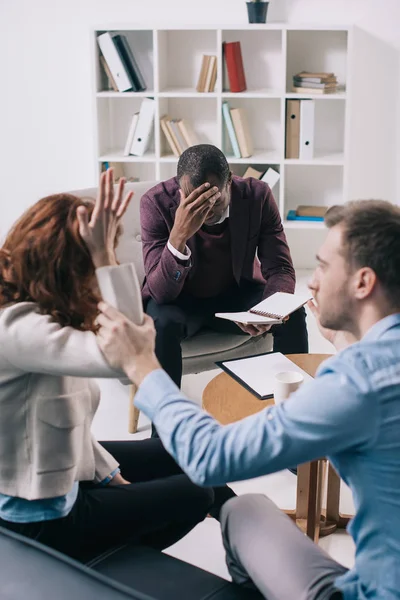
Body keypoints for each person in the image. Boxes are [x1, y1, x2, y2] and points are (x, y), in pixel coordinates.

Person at [97, 199, 400, 599]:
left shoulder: (356, 379)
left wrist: (141, 366)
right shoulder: (372, 368)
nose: (312, 280)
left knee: (242, 510)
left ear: (363, 283)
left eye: (324, 266)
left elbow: (210, 457)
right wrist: (352, 341)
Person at [0, 168, 233, 564]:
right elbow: (128, 356)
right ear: (68, 269)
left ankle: (246, 528)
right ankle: (100, 564)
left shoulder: (53, 316)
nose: (97, 274)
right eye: (90, 263)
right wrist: (104, 254)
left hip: (68, 476)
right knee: (197, 494)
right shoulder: (17, 330)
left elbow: (68, 426)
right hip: (42, 521)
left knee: (181, 451)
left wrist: (110, 476)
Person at [140, 145, 308, 404]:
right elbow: (160, 292)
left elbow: (280, 268)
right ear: (179, 187)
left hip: (235, 295)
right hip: (179, 300)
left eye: (214, 200)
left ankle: (297, 409)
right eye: (195, 201)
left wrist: (270, 310)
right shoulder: (156, 203)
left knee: (291, 311)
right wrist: (179, 236)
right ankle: (162, 432)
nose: (206, 212)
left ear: (230, 180)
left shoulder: (256, 196)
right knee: (160, 323)